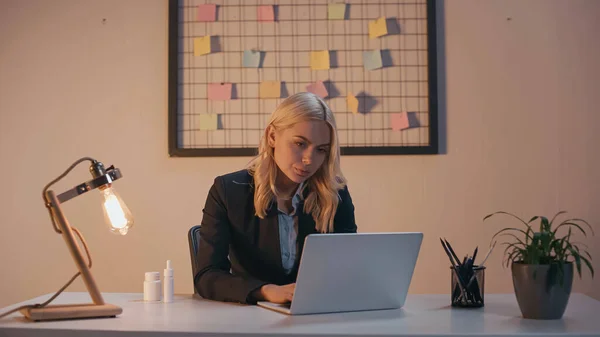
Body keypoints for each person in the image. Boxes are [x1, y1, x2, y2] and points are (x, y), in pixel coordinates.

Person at [194, 92, 357, 305]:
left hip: (315, 313)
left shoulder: (335, 193)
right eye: (300, 144)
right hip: (249, 316)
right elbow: (207, 275)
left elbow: (348, 266)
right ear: (272, 136)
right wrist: (266, 291)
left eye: (321, 150)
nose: (309, 159)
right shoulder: (227, 191)